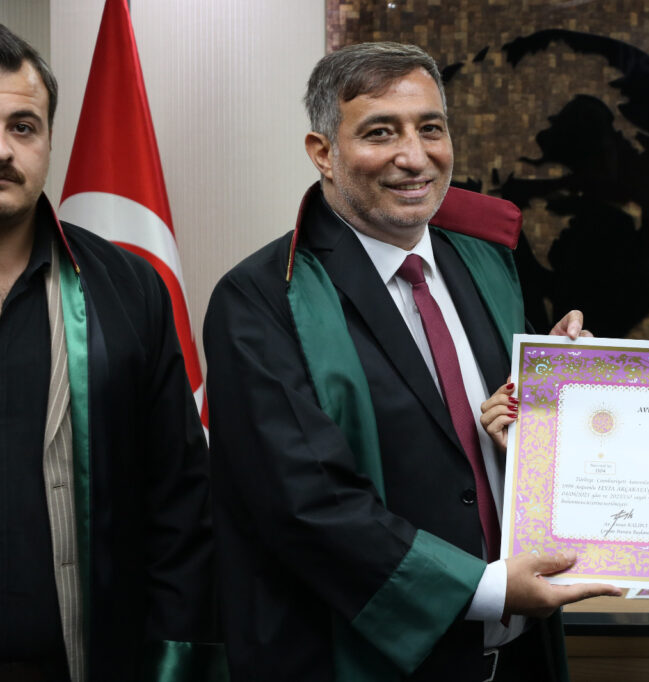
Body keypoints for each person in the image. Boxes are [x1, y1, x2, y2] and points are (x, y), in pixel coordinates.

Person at [203, 41, 619, 682]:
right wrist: (485, 589)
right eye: (380, 132)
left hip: (520, 657)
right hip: (362, 658)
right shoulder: (261, 299)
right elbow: (304, 504)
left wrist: (563, 389)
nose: (414, 156)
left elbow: (508, 439)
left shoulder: (487, 262)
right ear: (323, 153)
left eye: (430, 128)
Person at [0, 25, 217, 682]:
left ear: (49, 139)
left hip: (84, 662)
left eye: (23, 127)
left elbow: (180, 502)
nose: (3, 149)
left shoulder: (128, 288)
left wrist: (171, 665)